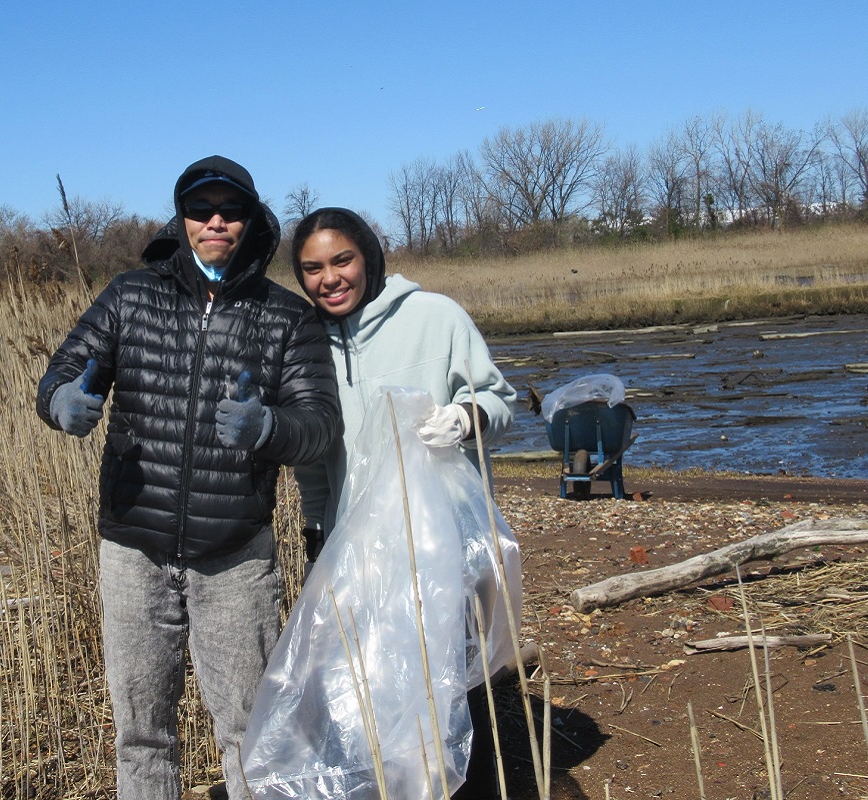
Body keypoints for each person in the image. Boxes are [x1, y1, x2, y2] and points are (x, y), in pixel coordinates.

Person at [36, 156, 340, 800]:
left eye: (230, 210)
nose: (215, 221)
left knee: (247, 729)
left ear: (252, 220)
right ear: (182, 218)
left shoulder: (287, 316)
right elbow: (64, 371)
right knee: (141, 735)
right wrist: (63, 400)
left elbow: (320, 424)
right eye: (201, 210)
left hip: (235, 555)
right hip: (132, 548)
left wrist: (268, 429)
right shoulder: (129, 295)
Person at [291, 207, 517, 800]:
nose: (330, 278)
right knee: (371, 687)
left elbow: (498, 399)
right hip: (353, 544)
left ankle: (470, 788)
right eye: (312, 268)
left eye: (342, 260)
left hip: (437, 539)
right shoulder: (304, 340)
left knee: (454, 686)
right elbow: (314, 458)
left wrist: (463, 419)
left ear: (368, 256)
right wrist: (317, 532)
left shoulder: (434, 317)